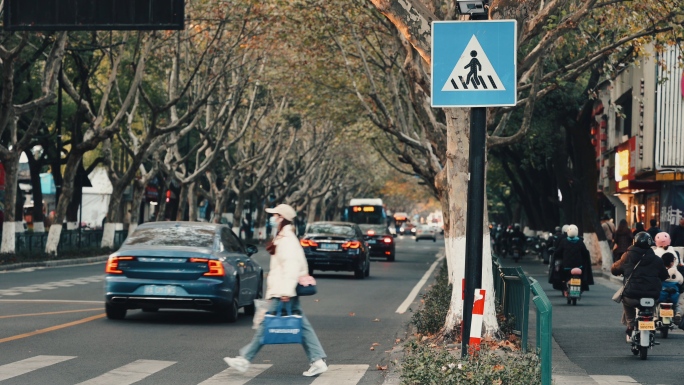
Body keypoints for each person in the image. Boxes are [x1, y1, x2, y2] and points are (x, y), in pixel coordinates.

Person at [223, 203, 328, 377]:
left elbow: (291, 265)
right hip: (284, 289)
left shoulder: (287, 240)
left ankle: (245, 359)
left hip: (284, 290)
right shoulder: (283, 237)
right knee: (301, 325)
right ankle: (317, 360)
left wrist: (286, 291)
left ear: (281, 218)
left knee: (267, 323)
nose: (272, 218)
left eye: (275, 215)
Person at [611, 232, 668, 343]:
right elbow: (664, 276)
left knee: (626, 301)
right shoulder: (657, 260)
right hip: (652, 296)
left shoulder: (627, 256)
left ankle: (631, 324)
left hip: (632, 295)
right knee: (651, 308)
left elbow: (614, 269)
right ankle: (650, 323)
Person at [552, 224, 594, 294]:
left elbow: (558, 252)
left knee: (562, 276)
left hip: (566, 267)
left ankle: (565, 289)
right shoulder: (580, 242)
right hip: (579, 266)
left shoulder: (564, 241)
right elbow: (585, 253)